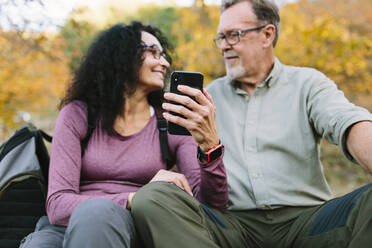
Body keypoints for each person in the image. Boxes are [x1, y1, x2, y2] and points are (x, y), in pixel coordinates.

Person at [131, 1, 372, 247]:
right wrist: (207, 146)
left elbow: (349, 123)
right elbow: (201, 189)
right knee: (153, 196)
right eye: (220, 38)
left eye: (233, 35)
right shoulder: (204, 100)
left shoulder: (308, 83)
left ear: (267, 34)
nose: (224, 46)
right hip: (232, 226)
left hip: (308, 222)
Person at [19, 21, 228, 248]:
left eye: (164, 55)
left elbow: (210, 206)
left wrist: (210, 148)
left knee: (98, 216)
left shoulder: (170, 122)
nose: (165, 63)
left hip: (130, 228)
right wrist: (131, 198)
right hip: (65, 226)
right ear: (122, 56)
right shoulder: (77, 115)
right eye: (153, 52)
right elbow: (58, 205)